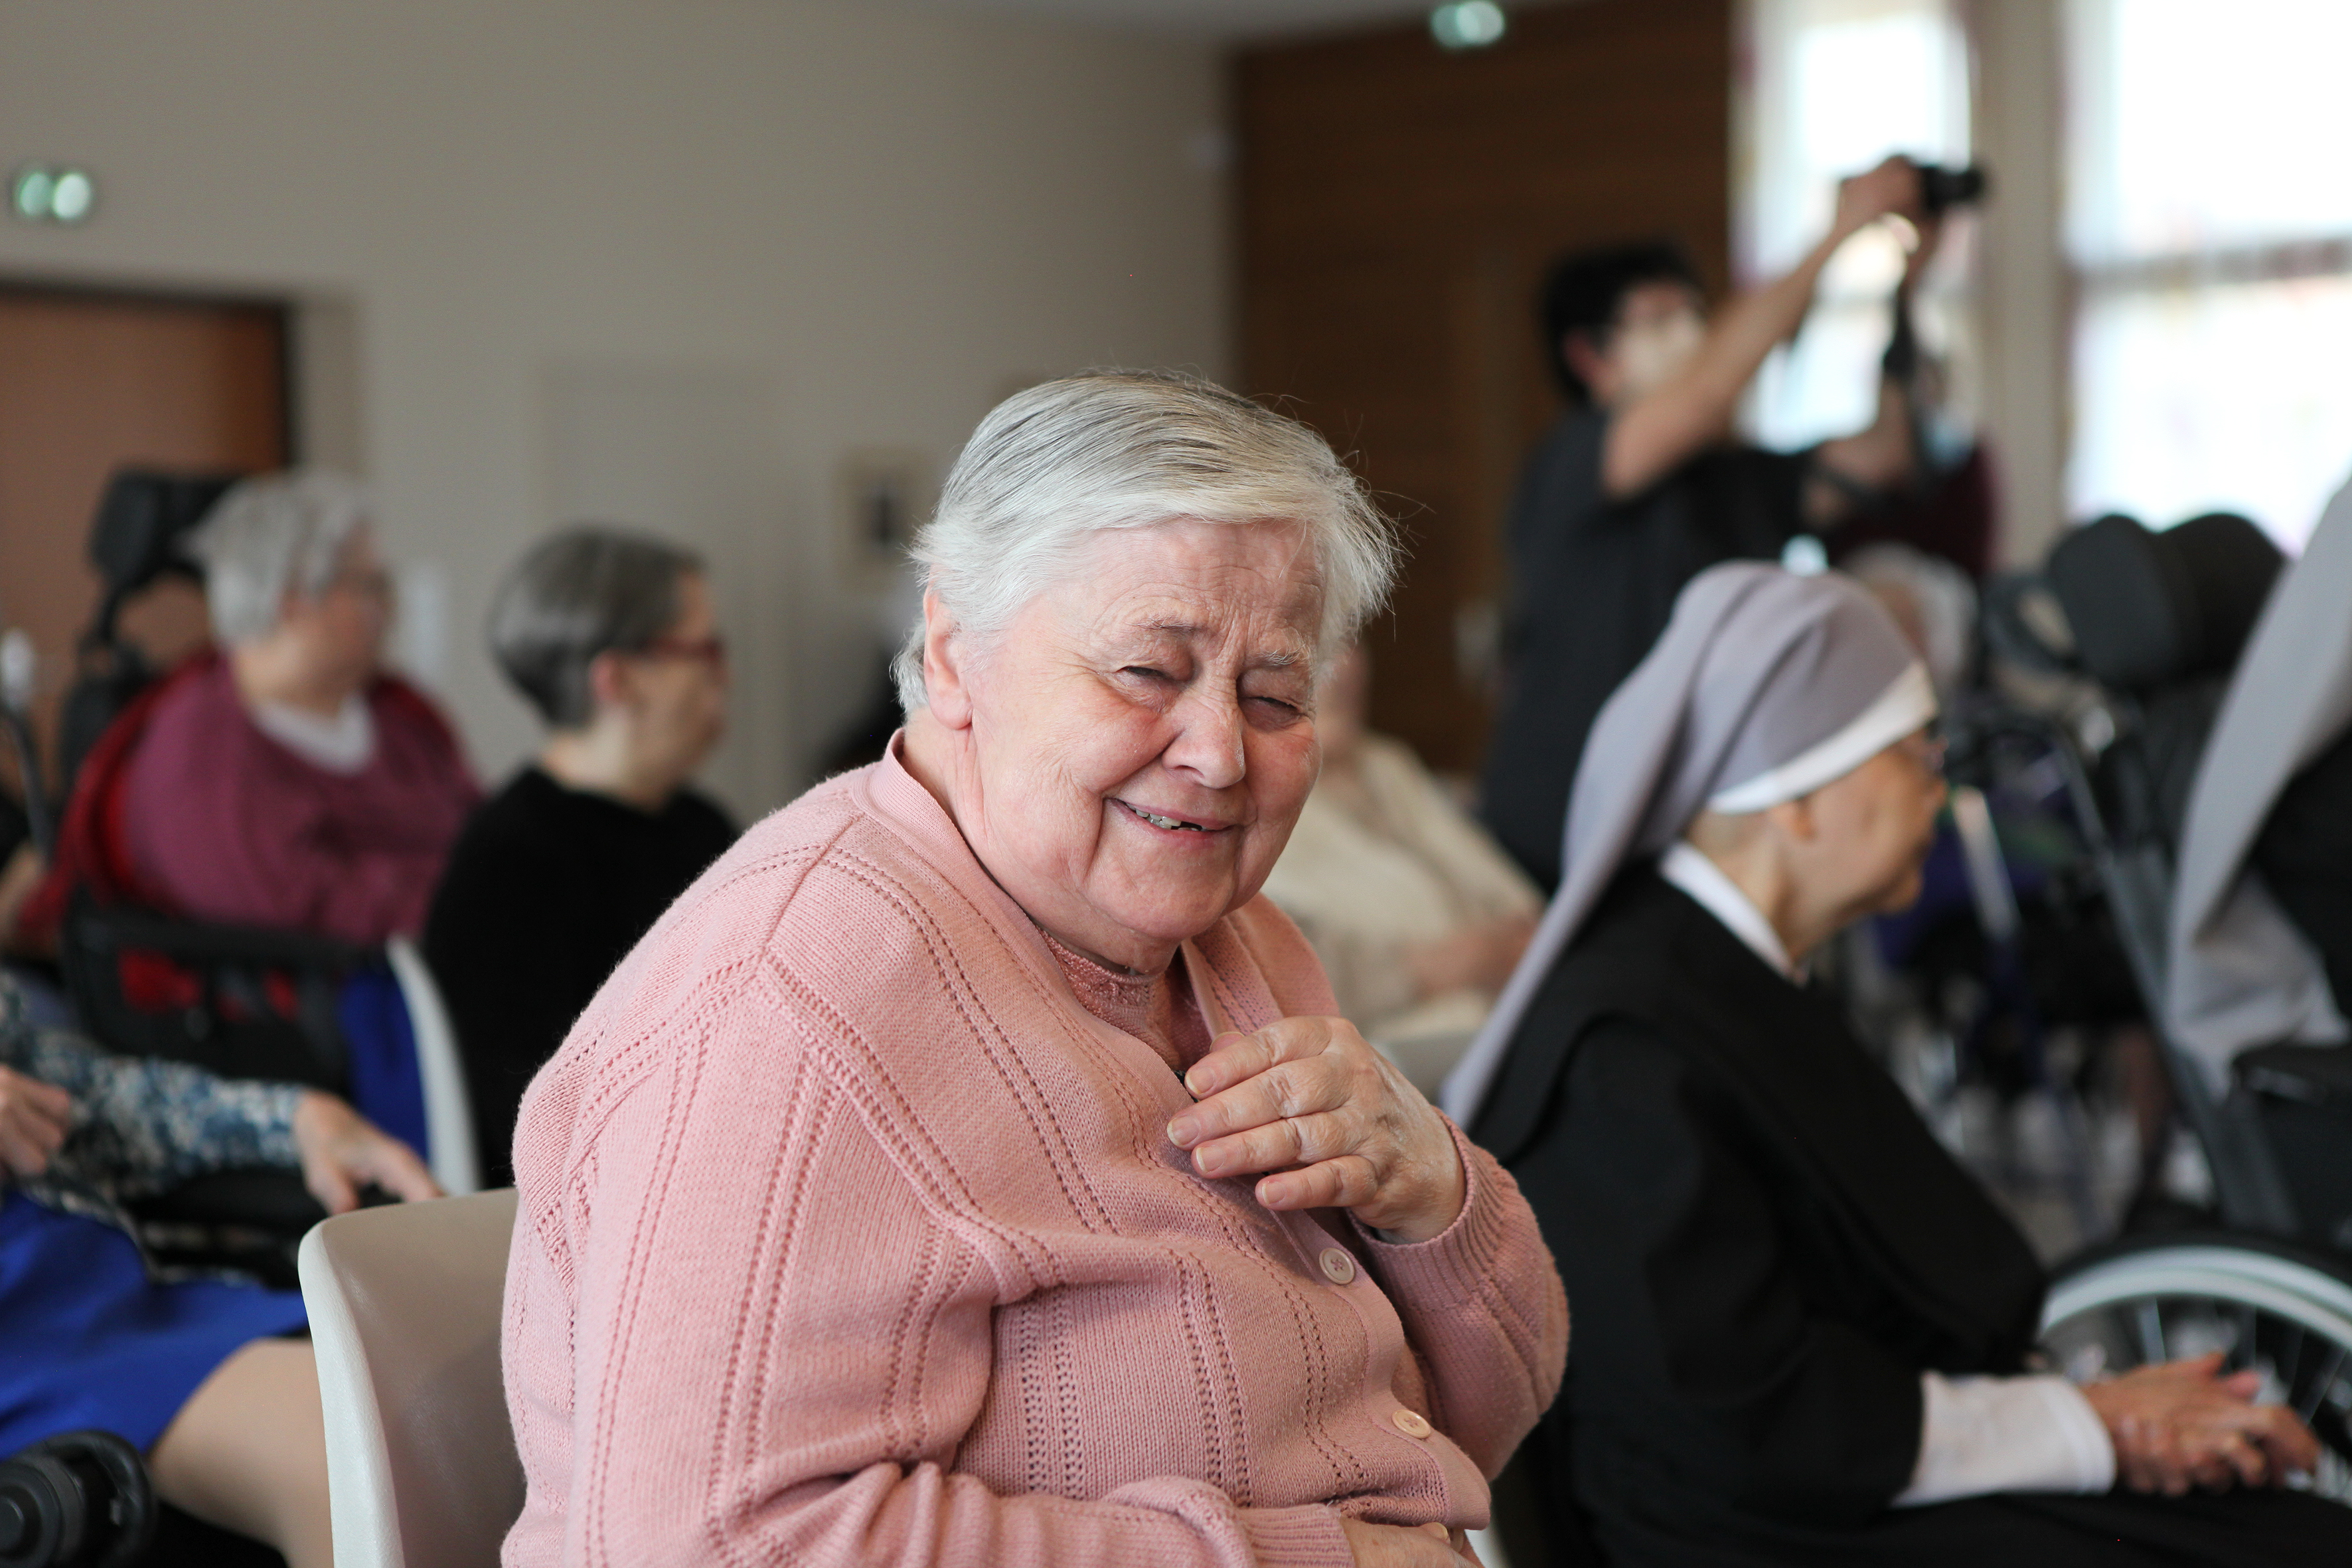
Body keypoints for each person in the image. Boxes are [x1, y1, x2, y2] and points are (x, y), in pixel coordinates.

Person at [501, 371, 1568, 1567]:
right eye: (1148, 673)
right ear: (954, 652)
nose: (1219, 754)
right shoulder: (788, 1004)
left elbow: (1473, 1423)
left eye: (1273, 693)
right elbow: (700, 1546)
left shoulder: (1232, 935)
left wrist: (1431, 1191)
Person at [1442, 563, 2351, 1565]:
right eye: (1911, 754)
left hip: (1845, 1487)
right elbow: (1741, 1417)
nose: (1940, 785)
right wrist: (2087, 1428)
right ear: (1792, 799)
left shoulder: (1724, 977)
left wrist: (2083, 1418)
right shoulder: (1619, 1044)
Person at [1480, 157, 1936, 890]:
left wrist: (1907, 285)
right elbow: (1702, 399)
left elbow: (1884, 453)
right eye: (1659, 321)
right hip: (1559, 834)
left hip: (1687, 823)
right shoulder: (1576, 461)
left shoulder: (1736, 477)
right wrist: (1842, 230)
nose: (1691, 336)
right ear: (1591, 358)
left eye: (1695, 314)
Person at [0, 975, 436, 1568]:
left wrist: (294, 1118)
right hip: (37, 1357)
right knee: (369, 1460)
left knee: (465, 1375)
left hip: (131, 1300)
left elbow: (84, 1103)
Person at [423, 526, 736, 1189]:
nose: (724, 673)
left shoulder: (702, 826)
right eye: (703, 649)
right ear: (617, 680)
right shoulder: (510, 865)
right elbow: (527, 1126)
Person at [111, 471, 479, 945]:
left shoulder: (397, 713)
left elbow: (484, 832)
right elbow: (300, 906)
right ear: (293, 603)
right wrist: (484, 903)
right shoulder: (203, 753)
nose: (388, 608)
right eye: (369, 585)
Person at [1259, 645, 1539, 1093]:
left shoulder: (1387, 763)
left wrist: (1514, 949)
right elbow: (1278, 981)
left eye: (1353, 642)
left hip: (1503, 1033)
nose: (1345, 669)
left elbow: (1513, 901)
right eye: (1320, 642)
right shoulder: (1251, 804)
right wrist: (1447, 966)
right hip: (1387, 1075)